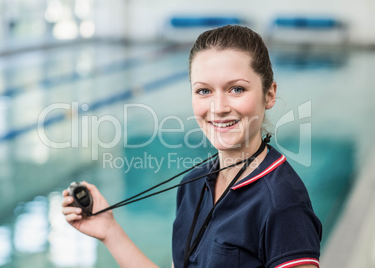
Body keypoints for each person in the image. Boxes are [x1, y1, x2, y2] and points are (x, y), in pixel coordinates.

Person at [61, 25, 322, 268]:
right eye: (204, 91)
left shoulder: (283, 203)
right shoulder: (194, 184)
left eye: (237, 89)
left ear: (269, 94)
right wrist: (110, 232)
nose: (218, 108)